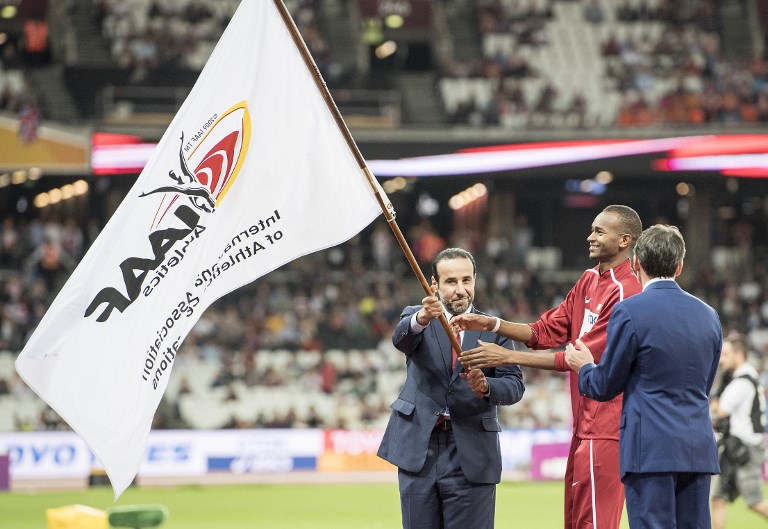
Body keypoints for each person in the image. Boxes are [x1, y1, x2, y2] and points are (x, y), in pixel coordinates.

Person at [454, 204, 642, 529]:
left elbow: (576, 358)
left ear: (625, 240)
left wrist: (508, 357)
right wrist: (493, 323)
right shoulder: (588, 280)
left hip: (609, 428)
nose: (590, 237)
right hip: (583, 427)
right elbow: (542, 332)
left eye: (599, 231)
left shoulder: (626, 291)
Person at [565, 224, 722, 529]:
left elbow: (605, 384)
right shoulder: (709, 314)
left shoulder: (630, 310)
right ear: (679, 266)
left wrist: (584, 366)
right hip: (697, 448)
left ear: (636, 262)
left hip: (650, 449)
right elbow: (705, 383)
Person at [377, 247, 525, 529]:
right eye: (451, 281)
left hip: (471, 452)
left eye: (466, 280)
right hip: (419, 450)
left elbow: (514, 387)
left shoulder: (494, 329)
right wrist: (422, 318)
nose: (460, 290)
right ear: (434, 284)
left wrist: (486, 386)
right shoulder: (417, 318)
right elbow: (401, 340)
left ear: (475, 281)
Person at [711, 333, 768, 529]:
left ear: (739, 354)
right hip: (736, 447)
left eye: (726, 354)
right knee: (717, 498)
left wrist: (716, 403)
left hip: (745, 448)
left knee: (755, 502)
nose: (722, 359)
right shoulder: (747, 376)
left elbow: (721, 410)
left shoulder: (742, 381)